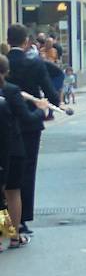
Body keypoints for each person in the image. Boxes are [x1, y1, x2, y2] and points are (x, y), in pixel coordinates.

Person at [6, 24, 62, 235]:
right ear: (26, 41)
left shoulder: (5, 63)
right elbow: (50, 90)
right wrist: (48, 106)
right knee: (26, 173)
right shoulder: (35, 64)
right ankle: (21, 221)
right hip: (28, 125)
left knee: (4, 178)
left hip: (4, 124)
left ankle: (5, 226)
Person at [0, 56, 43, 249]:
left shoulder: (11, 91)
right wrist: (41, 109)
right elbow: (27, 118)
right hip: (12, 148)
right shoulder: (11, 91)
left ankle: (2, 235)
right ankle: (15, 235)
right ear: (6, 71)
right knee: (13, 193)